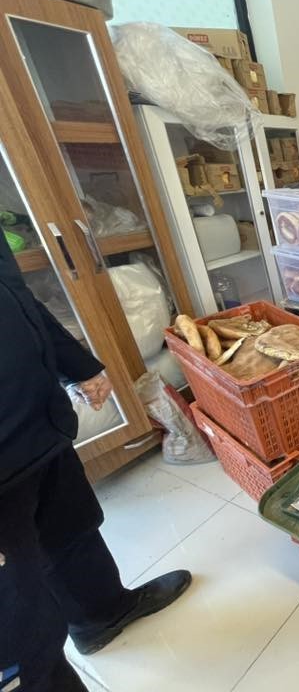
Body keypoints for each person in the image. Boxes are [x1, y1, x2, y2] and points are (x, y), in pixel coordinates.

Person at [0, 235, 191, 692]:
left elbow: (15, 295)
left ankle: (101, 613)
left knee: (73, 528)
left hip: (37, 422)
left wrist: (77, 364)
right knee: (22, 633)